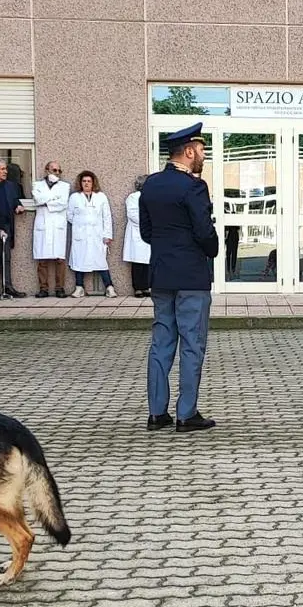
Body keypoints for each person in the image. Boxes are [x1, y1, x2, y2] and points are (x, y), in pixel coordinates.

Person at [141, 123, 219, 433]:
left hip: (161, 275)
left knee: (161, 343)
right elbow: (204, 231)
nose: (203, 156)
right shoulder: (194, 187)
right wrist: (212, 249)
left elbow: (146, 231)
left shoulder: (151, 184)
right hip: (191, 277)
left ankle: (156, 413)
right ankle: (186, 414)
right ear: (188, 152)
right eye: (200, 150)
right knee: (191, 344)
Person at [67, 170, 116, 298]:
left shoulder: (101, 197)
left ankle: (109, 287)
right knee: (79, 261)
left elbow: (107, 216)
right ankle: (79, 287)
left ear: (93, 183)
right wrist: (81, 224)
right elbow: (69, 215)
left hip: (97, 235)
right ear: (80, 183)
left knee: (100, 261)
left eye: (89, 181)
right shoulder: (74, 197)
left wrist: (107, 234)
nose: (86, 183)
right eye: (84, 181)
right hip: (81, 235)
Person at [0, 158, 27, 299]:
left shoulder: (11, 186)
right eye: (2, 169)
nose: (5, 172)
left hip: (7, 225)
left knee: (6, 257)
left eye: (5, 169)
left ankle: (7, 287)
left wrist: (18, 206)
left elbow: (15, 200)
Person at [32, 161, 71, 298]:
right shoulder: (37, 185)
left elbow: (63, 203)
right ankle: (43, 289)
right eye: (54, 170)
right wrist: (53, 198)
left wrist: (46, 202)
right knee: (42, 259)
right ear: (47, 170)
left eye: (59, 171)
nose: (57, 173)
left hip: (57, 225)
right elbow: (37, 200)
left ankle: (60, 288)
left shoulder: (65, 186)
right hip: (42, 224)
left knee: (59, 259)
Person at [123, 174, 152, 298]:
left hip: (148, 232)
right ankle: (138, 288)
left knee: (147, 261)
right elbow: (132, 214)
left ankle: (146, 287)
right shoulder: (133, 197)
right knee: (137, 263)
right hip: (137, 232)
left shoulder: (151, 197)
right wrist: (148, 221)